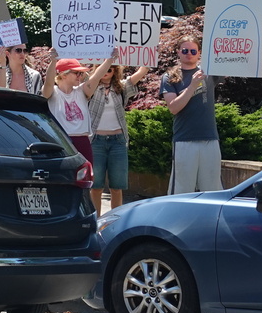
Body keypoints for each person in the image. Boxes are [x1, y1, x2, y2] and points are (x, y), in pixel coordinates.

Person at [85, 54, 153, 213]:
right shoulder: (90, 87)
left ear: (115, 70)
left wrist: (149, 53)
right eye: (103, 67)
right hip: (96, 141)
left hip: (118, 141)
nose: (107, 70)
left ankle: (115, 223)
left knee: (117, 187)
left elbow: (142, 71)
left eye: (110, 68)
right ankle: (96, 222)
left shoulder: (121, 87)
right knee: (96, 187)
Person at [160, 39, 221, 193]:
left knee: (212, 189)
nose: (189, 54)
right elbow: (173, 107)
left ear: (199, 53)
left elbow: (236, 60)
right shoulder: (169, 77)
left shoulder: (209, 72)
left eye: (193, 51)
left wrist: (260, 31)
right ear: (178, 52)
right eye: (185, 50)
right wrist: (193, 85)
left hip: (210, 138)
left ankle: (209, 218)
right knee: (182, 189)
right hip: (185, 139)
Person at [42, 54, 94, 165]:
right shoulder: (53, 92)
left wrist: (109, 60)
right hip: (61, 141)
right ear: (63, 74)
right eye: (76, 73)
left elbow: (97, 76)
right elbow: (49, 83)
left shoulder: (80, 91)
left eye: (81, 73)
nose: (80, 76)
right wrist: (53, 62)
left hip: (83, 141)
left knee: (85, 179)